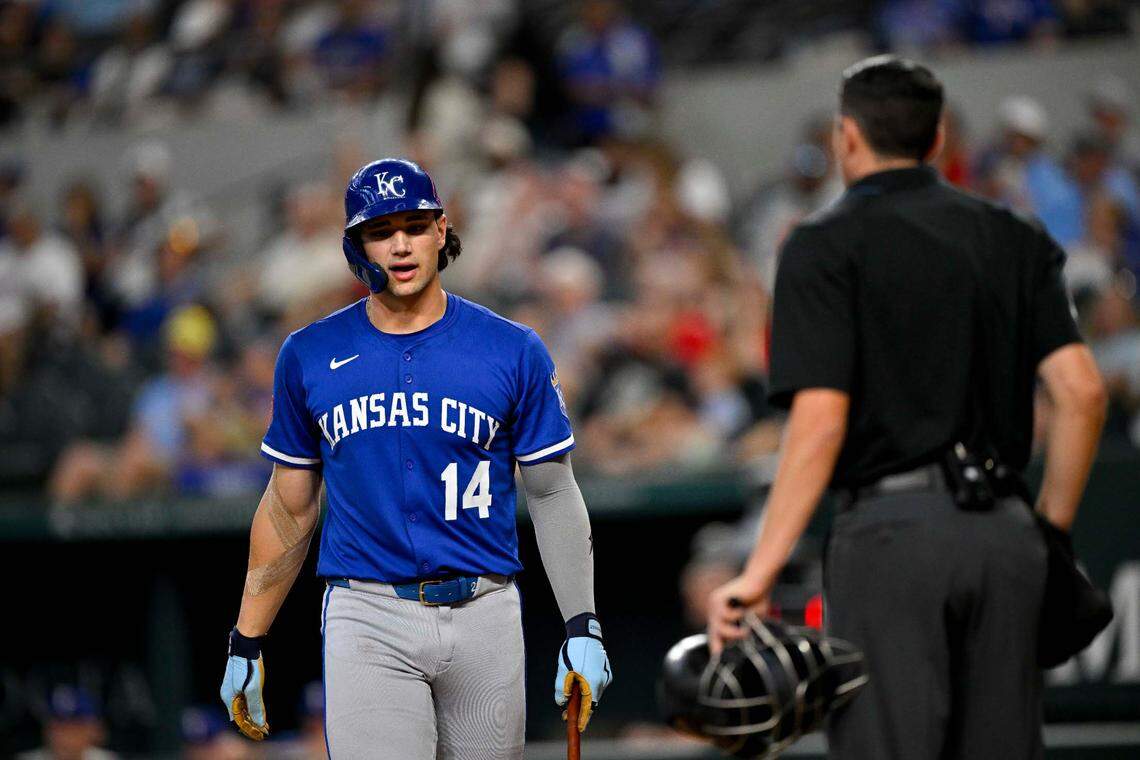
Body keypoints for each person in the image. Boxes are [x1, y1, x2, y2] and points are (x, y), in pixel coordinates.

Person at [706, 56, 1107, 759]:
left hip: (892, 538)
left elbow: (821, 420)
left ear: (847, 138)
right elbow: (1081, 392)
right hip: (1006, 535)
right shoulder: (1013, 235)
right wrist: (1051, 531)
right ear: (940, 136)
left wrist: (760, 568)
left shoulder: (821, 244)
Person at [219, 158, 612, 758]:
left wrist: (581, 623)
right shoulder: (310, 353)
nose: (400, 245)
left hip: (486, 608)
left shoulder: (511, 348)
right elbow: (289, 507)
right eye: (381, 231)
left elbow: (553, 491)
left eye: (414, 224)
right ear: (357, 245)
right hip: (369, 611)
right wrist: (246, 639)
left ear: (441, 230)